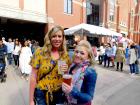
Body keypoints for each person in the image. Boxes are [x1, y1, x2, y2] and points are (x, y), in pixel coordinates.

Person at [30, 25, 71, 105]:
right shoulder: (40, 52)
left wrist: (66, 71)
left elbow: (65, 76)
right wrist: (31, 100)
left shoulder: (64, 55)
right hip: (41, 93)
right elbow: (33, 77)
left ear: (63, 38)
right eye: (54, 36)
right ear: (49, 38)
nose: (57, 39)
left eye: (59, 36)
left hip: (59, 93)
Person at [62, 40, 97, 105]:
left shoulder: (91, 72)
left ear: (88, 56)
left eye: (82, 53)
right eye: (76, 52)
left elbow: (89, 97)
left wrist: (72, 91)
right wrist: (65, 72)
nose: (78, 55)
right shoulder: (73, 66)